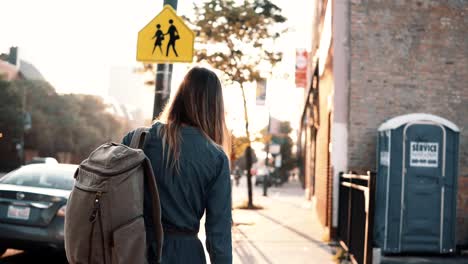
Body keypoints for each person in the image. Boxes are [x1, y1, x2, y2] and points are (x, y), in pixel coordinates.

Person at [122, 67, 232, 264]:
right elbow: (219, 236)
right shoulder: (216, 158)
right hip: (184, 255)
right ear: (214, 107)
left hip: (132, 250)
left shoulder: (138, 140)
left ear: (179, 96)